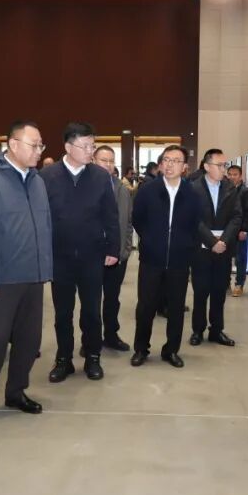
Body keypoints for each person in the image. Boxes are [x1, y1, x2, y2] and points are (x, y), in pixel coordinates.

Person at [0, 121, 51, 428]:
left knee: (29, 340)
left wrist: (45, 267)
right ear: (13, 145)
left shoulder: (37, 181)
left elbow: (45, 226)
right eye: (33, 145)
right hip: (2, 280)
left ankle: (16, 392)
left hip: (33, 276)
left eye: (41, 145)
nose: (39, 151)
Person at [40, 123, 120, 384]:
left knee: (91, 312)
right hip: (59, 257)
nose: (90, 151)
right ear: (68, 147)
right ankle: (64, 359)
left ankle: (93, 356)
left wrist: (113, 248)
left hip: (91, 256)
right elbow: (40, 218)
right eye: (85, 146)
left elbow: (111, 215)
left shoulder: (100, 176)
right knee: (63, 313)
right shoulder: (47, 176)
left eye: (92, 146)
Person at [131, 144, 201, 368]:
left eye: (176, 161)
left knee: (176, 308)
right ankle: (141, 348)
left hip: (179, 260)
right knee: (146, 307)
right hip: (151, 259)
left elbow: (195, 225)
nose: (170, 165)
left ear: (184, 167)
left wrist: (185, 245)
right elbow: (137, 219)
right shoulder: (148, 190)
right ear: (161, 164)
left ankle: (171, 350)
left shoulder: (192, 193)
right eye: (167, 160)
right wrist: (150, 240)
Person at [190, 150, 242, 347]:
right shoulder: (193, 188)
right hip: (201, 248)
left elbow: (236, 216)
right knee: (200, 290)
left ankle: (216, 330)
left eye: (224, 165)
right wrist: (212, 242)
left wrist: (224, 241)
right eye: (219, 165)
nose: (223, 169)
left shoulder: (230, 188)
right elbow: (193, 219)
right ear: (206, 166)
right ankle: (197, 330)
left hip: (224, 248)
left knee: (219, 291)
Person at [94, 145, 134, 351]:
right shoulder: (85, 187)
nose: (108, 165)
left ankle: (111, 335)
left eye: (111, 161)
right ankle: (91, 339)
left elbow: (128, 223)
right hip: (92, 255)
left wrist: (125, 250)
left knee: (112, 299)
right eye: (104, 160)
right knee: (91, 301)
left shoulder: (122, 189)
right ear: (93, 161)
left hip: (117, 255)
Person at [227, 164, 248, 297]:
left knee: (240, 258)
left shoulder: (246, 192)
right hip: (227, 230)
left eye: (235, 175)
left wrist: (244, 230)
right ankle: (226, 283)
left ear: (240, 176)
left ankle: (239, 284)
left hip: (239, 231)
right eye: (230, 174)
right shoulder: (224, 189)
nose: (232, 177)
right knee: (225, 258)